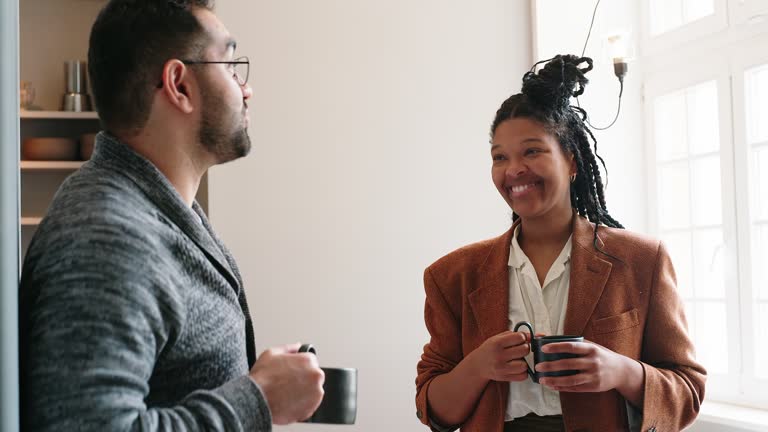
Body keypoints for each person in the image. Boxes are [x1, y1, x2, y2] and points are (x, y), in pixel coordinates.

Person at [19, 1, 324, 430]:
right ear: (179, 85)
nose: (246, 88)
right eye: (231, 64)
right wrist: (259, 400)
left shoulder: (161, 213)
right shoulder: (109, 236)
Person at [415, 55, 706, 432]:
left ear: (571, 162)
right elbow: (432, 409)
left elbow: (688, 389)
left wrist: (621, 372)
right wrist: (478, 366)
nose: (514, 169)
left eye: (532, 151)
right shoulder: (452, 275)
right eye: (499, 157)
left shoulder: (642, 261)